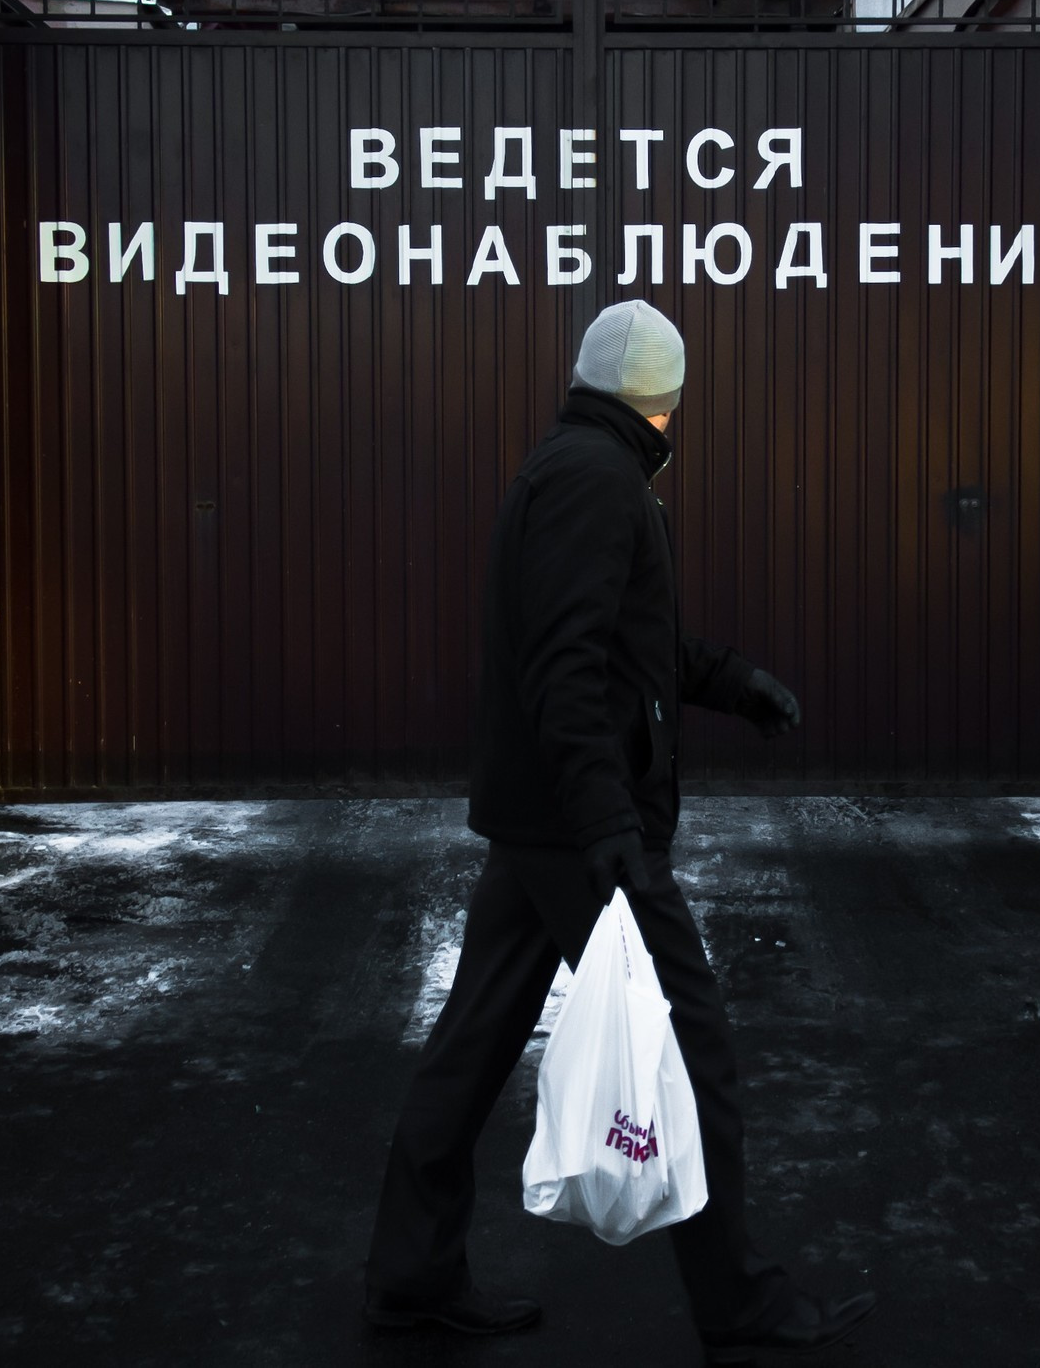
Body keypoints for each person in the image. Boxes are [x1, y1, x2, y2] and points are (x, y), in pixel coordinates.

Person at [365, 299, 876, 1361]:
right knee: (694, 1054)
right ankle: (739, 1305)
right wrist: (608, 826)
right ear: (663, 393)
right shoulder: (598, 484)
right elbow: (566, 667)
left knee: (469, 1051)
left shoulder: (576, 468)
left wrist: (733, 682)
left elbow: (623, 644)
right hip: (580, 829)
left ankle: (411, 1277)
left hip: (543, 823)